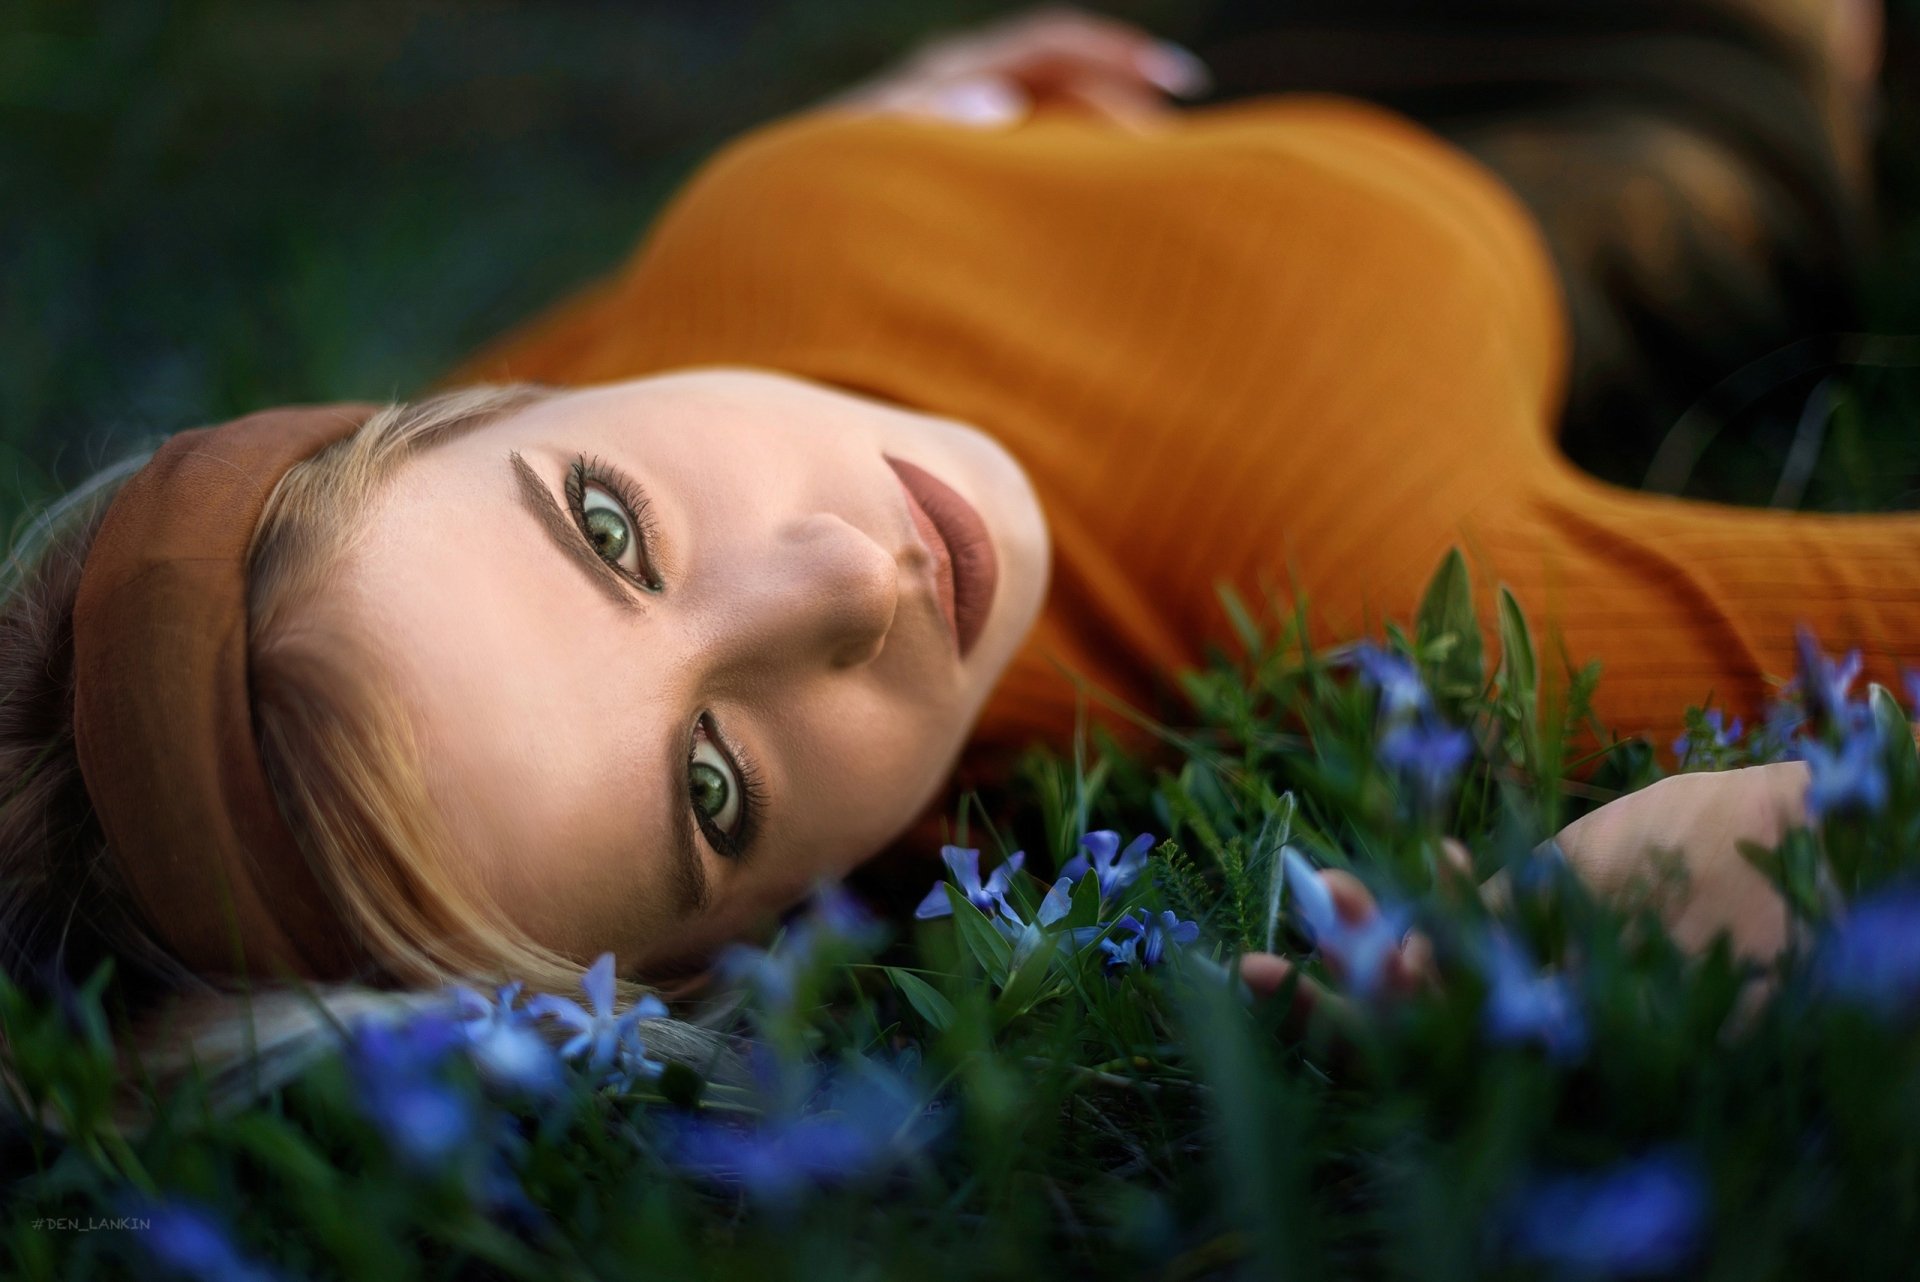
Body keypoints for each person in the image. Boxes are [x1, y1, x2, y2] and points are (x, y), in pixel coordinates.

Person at [0, 2, 1906, 1114]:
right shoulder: (1377, 588)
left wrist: (889, 139)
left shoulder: (482, 478)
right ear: (731, 949)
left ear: (454, 410)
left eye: (610, 525)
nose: (848, 578)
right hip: (1637, 96)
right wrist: (1673, 876)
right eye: (715, 784)